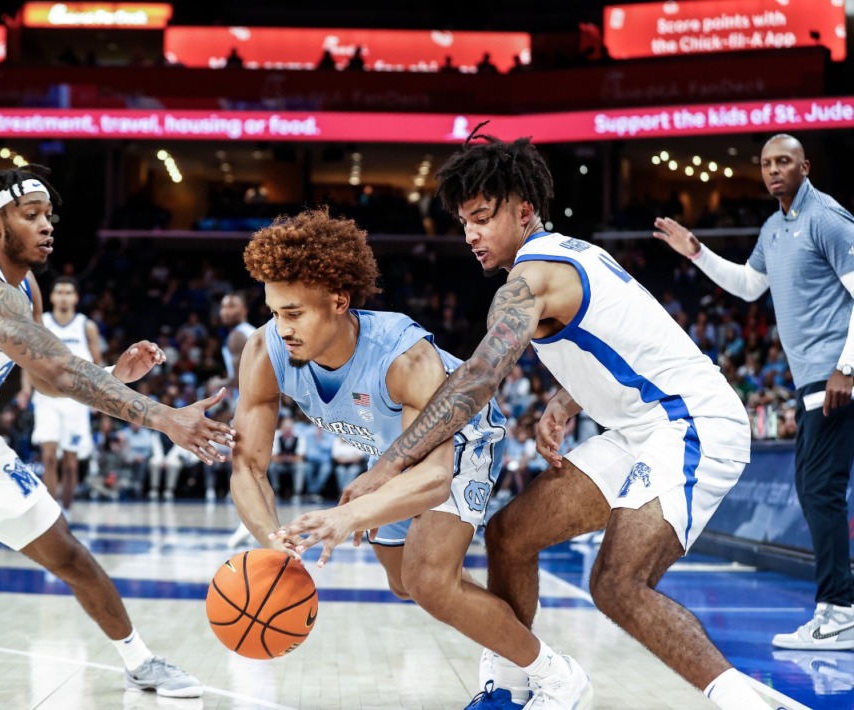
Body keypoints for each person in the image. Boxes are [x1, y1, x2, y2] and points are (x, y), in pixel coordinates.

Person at [278, 127, 770, 710]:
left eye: (483, 217)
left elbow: (477, 379)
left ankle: (747, 703)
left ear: (524, 210)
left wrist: (388, 465)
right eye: (464, 222)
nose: (471, 235)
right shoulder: (573, 253)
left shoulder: (528, 281)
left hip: (691, 424)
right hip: (642, 426)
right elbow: (631, 340)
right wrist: (566, 399)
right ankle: (512, 689)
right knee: (511, 536)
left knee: (616, 585)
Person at [0, 147, 235, 708]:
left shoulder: (25, 289)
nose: (47, 224)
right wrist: (163, 418)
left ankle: (138, 661)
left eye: (49, 215)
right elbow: (54, 367)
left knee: (68, 554)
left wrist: (107, 374)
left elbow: (48, 380)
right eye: (31, 213)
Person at [232, 209, 540, 707]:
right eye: (274, 312)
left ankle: (545, 673)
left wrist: (347, 515)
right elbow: (247, 465)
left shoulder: (403, 355)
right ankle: (501, 625)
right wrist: (274, 541)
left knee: (429, 579)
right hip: (388, 453)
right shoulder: (265, 353)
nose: (281, 328)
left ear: (338, 301)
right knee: (405, 583)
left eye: (294, 314)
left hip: (464, 437)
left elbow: (436, 476)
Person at [654, 133, 854, 651]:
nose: (774, 170)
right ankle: (840, 608)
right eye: (766, 163)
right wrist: (696, 252)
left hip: (836, 380)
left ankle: (840, 611)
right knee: (818, 491)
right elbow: (749, 285)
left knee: (819, 492)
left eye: (784, 161)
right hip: (814, 380)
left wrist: (847, 369)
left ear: (805, 166)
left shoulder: (827, 219)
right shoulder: (774, 227)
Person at [18, 276, 101, 519]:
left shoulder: (87, 326)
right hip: (47, 400)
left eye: (68, 292)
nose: (64, 296)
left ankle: (67, 511)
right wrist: (26, 389)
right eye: (59, 292)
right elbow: (27, 362)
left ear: (76, 297)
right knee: (49, 458)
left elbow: (97, 364)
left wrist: (99, 397)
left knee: (71, 463)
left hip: (77, 401)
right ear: (51, 297)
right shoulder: (41, 324)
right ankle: (52, 515)